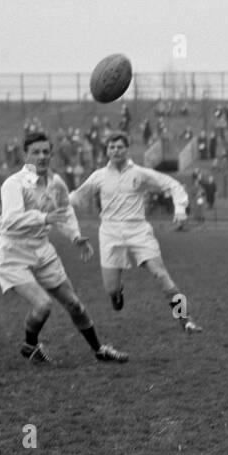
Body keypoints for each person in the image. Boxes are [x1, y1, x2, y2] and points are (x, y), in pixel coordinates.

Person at [0, 131, 129, 365]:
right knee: (43, 306)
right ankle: (30, 344)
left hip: (42, 250)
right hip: (12, 252)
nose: (42, 156)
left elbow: (65, 212)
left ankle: (100, 350)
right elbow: (8, 221)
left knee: (75, 304)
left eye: (46, 152)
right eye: (36, 152)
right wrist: (44, 218)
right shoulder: (14, 184)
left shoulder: (56, 183)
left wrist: (75, 236)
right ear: (25, 155)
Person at [70, 133, 202, 333]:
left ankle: (185, 318)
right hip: (109, 232)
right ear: (107, 151)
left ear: (127, 149)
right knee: (111, 288)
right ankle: (117, 292)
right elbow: (77, 197)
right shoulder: (99, 176)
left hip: (138, 230)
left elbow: (171, 184)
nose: (116, 150)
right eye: (112, 147)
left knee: (161, 275)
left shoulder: (139, 173)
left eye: (120, 147)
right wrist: (54, 203)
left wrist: (180, 208)